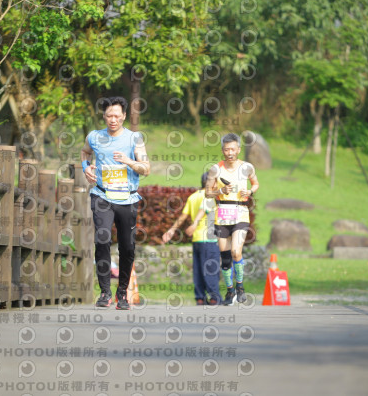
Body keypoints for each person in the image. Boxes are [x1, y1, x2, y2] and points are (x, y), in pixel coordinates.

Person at [80, 96, 150, 310]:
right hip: (102, 195)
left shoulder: (134, 138)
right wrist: (86, 167)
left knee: (127, 247)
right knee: (102, 239)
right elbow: (85, 153)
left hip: (127, 198)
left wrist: (129, 161)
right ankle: (104, 292)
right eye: (109, 116)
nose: (113, 120)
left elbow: (146, 168)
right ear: (104, 116)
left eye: (117, 116)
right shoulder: (94, 136)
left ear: (124, 116)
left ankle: (122, 293)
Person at [205, 133, 259, 306]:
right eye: (226, 149)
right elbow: (207, 192)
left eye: (233, 149)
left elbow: (256, 183)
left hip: (241, 212)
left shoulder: (247, 167)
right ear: (222, 150)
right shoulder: (215, 169)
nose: (230, 152)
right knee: (226, 257)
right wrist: (220, 191)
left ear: (238, 150)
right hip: (222, 213)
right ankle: (229, 291)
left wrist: (250, 191)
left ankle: (240, 287)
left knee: (236, 251)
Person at [162, 172, 222, 305]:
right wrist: (195, 223)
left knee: (199, 269)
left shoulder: (193, 197)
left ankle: (200, 297)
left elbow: (183, 217)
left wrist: (172, 230)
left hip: (197, 239)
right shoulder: (210, 196)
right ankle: (214, 298)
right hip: (209, 238)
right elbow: (205, 210)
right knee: (211, 269)